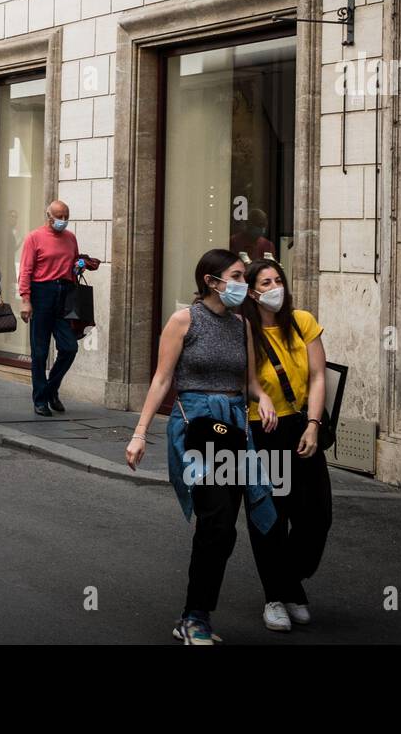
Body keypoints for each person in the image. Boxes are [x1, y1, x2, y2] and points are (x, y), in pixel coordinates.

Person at [125, 249, 278, 645]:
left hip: (233, 425)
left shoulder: (242, 324)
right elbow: (161, 379)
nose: (243, 284)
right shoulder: (184, 320)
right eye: (238, 276)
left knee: (225, 528)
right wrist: (140, 432)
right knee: (216, 521)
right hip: (197, 425)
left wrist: (261, 396)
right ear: (212, 282)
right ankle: (195, 617)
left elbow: (246, 378)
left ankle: (197, 612)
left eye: (245, 277)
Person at [241, 259, 332, 633]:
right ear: (252, 291)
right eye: (266, 282)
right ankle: (276, 597)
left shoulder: (303, 321)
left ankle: (289, 582)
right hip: (262, 428)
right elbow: (245, 378)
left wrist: (313, 425)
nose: (275, 286)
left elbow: (317, 375)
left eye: (278, 279)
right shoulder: (244, 328)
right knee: (272, 516)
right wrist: (260, 395)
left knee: (316, 516)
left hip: (299, 424)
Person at [18, 200, 98, 417]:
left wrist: (80, 265)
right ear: (49, 216)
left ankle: (51, 389)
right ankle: (40, 399)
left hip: (65, 293)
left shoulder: (70, 238)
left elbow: (73, 263)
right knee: (40, 351)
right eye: (59, 216)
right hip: (42, 292)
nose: (63, 220)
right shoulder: (34, 237)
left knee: (69, 347)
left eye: (66, 216)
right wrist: (26, 300)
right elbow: (25, 270)